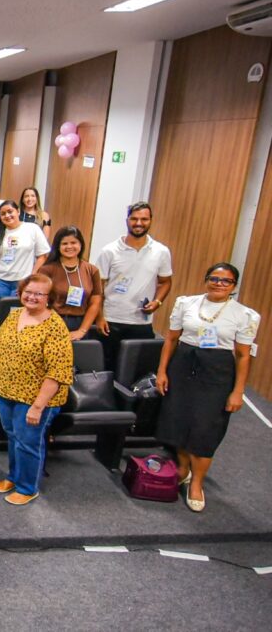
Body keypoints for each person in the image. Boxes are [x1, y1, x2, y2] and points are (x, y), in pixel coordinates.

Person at [155, 263, 260, 512]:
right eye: (214, 278)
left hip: (217, 371)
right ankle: (183, 468)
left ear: (233, 286)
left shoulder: (244, 314)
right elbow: (171, 339)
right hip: (183, 365)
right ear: (206, 280)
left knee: (206, 428)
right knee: (179, 420)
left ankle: (197, 483)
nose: (219, 284)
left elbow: (243, 355)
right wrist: (162, 371)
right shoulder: (186, 303)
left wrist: (238, 391)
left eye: (226, 281)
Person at [0, 274, 73, 506]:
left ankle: (27, 487)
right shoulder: (14, 315)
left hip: (35, 397)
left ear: (49, 298)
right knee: (13, 436)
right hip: (6, 390)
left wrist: (38, 406)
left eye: (38, 294)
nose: (32, 297)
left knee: (28, 442)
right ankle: (14, 476)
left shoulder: (55, 327)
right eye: (28, 292)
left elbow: (57, 373)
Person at [95, 202, 173, 369]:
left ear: (151, 220)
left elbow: (165, 282)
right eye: (134, 219)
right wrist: (99, 317)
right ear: (127, 220)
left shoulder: (161, 251)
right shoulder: (109, 251)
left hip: (142, 322)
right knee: (107, 368)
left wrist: (157, 302)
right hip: (111, 320)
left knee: (136, 369)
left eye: (144, 219)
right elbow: (97, 288)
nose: (139, 223)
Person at [0, 200, 50, 315]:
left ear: (18, 211)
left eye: (10, 211)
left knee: (19, 316)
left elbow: (43, 256)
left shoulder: (32, 229)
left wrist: (31, 277)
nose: (7, 215)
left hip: (22, 281)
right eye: (3, 214)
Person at [39, 226, 102, 339]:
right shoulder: (46, 270)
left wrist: (82, 331)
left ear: (81, 244)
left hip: (82, 324)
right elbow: (39, 300)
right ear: (58, 247)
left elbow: (95, 303)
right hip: (52, 322)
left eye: (73, 243)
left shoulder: (92, 270)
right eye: (64, 243)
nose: (69, 247)